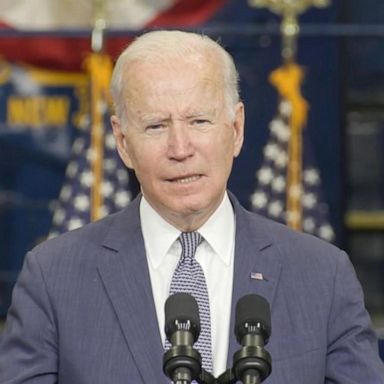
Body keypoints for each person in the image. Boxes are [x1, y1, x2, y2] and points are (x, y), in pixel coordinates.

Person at [0, 30, 383, 384]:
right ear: (122, 141)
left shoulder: (323, 276)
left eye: (199, 121)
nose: (180, 149)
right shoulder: (53, 279)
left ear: (236, 130)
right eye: (156, 126)